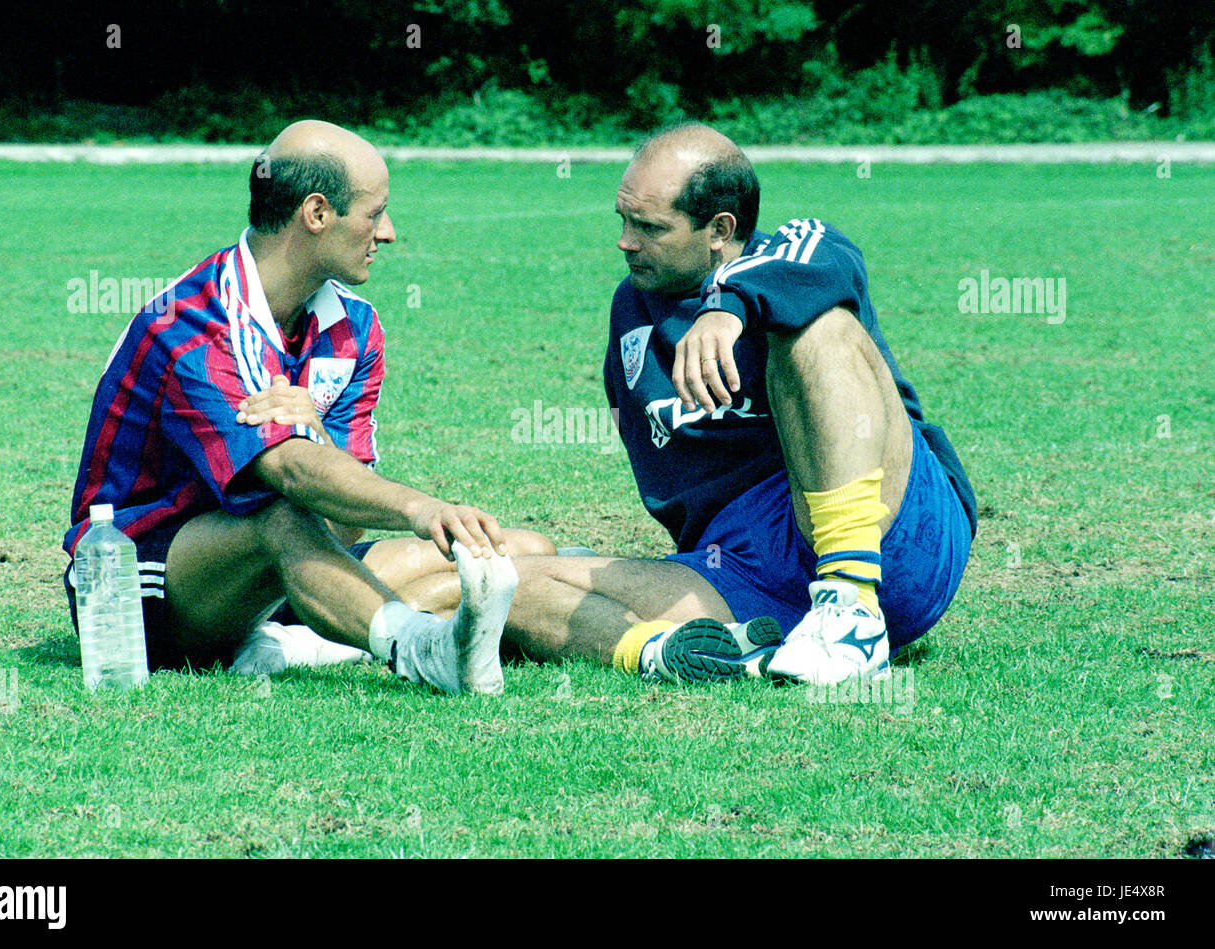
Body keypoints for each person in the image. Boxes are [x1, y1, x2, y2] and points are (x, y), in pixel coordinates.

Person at [330, 123, 975, 688]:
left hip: (895, 535)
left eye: (649, 227)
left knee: (818, 325)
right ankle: (685, 657)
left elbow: (821, 262)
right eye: (623, 220)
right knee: (513, 587)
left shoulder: (800, 249)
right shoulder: (631, 310)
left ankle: (850, 608)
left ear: (720, 230)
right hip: (748, 569)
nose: (625, 242)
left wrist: (727, 307)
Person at [62, 119, 554, 695]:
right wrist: (422, 509)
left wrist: (315, 433)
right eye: (375, 214)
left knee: (519, 552)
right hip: (137, 587)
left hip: (274, 562)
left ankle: (295, 643)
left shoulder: (356, 328)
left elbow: (345, 514)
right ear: (317, 214)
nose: (388, 232)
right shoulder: (194, 321)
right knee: (281, 517)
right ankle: (422, 652)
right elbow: (291, 475)